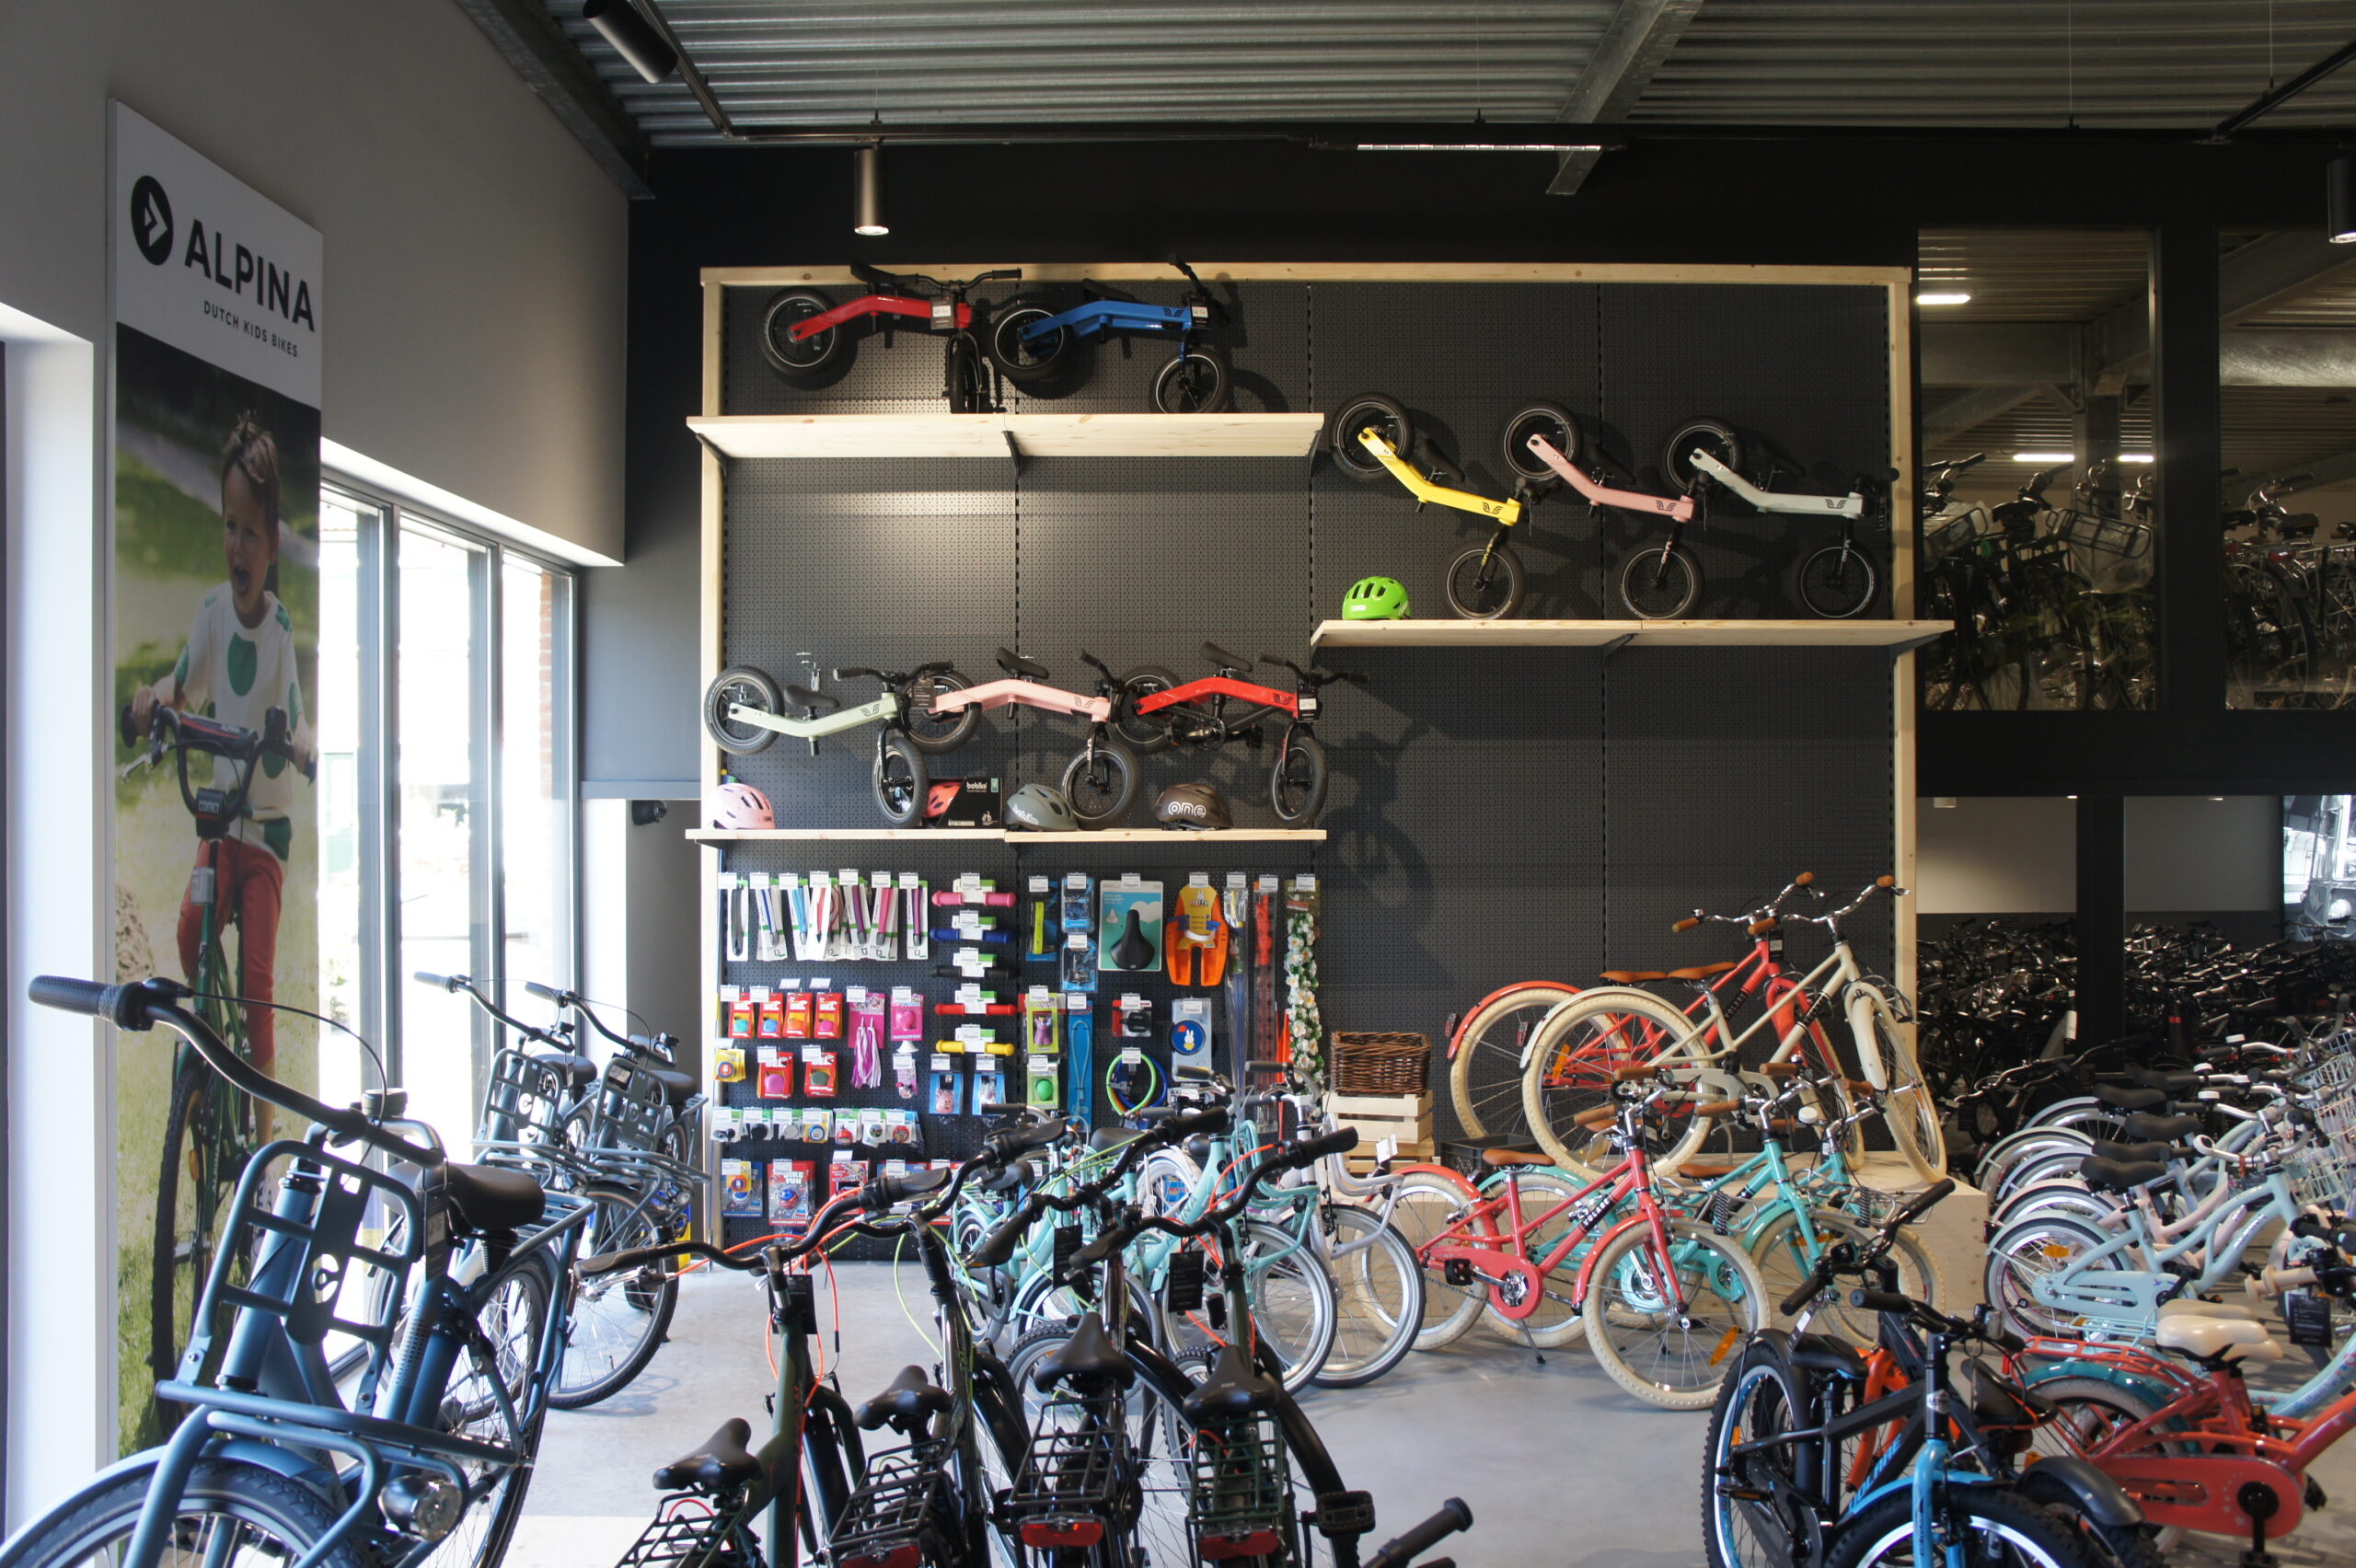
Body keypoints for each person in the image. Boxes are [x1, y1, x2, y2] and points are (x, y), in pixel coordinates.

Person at [130, 413, 315, 1077]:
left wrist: (305, 746)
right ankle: (211, 1039)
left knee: (259, 986)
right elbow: (180, 687)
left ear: (273, 547)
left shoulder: (279, 631)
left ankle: (263, 1134)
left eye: (252, 532)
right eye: (229, 527)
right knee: (190, 931)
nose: (238, 546)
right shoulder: (212, 614)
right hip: (219, 822)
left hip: (262, 832)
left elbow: (295, 714)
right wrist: (152, 700)